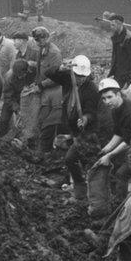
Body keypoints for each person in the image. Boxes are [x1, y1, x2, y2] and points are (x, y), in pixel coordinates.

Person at [45, 55, 100, 199]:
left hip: (85, 130)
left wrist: (86, 119)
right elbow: (49, 73)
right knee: (66, 153)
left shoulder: (92, 89)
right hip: (68, 122)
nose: (80, 78)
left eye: (82, 76)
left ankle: (85, 186)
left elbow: (92, 111)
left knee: (77, 157)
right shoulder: (68, 80)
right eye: (77, 75)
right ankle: (73, 182)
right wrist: (61, 68)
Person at [93, 78, 131, 201]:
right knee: (117, 168)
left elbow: (128, 141)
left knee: (122, 174)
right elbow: (118, 134)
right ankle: (124, 194)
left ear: (118, 94)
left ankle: (123, 203)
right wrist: (105, 150)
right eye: (104, 98)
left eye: (109, 97)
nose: (106, 101)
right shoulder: (115, 109)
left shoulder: (129, 111)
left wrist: (109, 155)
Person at [30, 26, 64, 155]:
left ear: (46, 37)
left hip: (55, 92)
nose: (39, 42)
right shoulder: (41, 49)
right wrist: (36, 83)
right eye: (37, 40)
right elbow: (40, 70)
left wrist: (41, 85)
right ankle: (45, 150)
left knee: (50, 123)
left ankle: (49, 151)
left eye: (41, 39)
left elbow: (57, 77)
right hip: (45, 91)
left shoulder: (54, 53)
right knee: (42, 121)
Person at [0, 59, 33, 138]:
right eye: (18, 76)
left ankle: (24, 138)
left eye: (22, 75)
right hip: (11, 98)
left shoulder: (31, 72)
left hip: (25, 98)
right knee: (4, 120)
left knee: (24, 121)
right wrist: (17, 109)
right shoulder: (9, 78)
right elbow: (8, 97)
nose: (20, 77)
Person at [108, 13, 131, 87]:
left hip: (128, 75)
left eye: (113, 25)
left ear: (119, 24)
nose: (111, 27)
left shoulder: (130, 38)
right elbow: (115, 56)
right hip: (118, 72)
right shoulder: (116, 36)